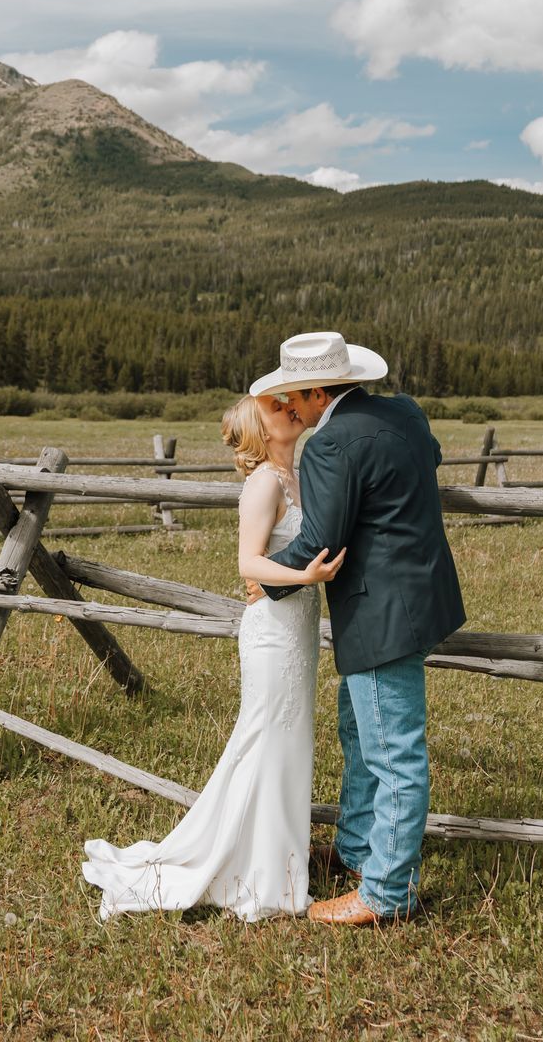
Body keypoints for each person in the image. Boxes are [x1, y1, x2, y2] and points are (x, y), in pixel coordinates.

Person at [80, 391, 345, 921]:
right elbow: (249, 563)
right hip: (272, 631)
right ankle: (256, 871)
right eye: (278, 408)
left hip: (297, 631)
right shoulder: (265, 482)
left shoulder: (297, 476)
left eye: (291, 403)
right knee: (265, 739)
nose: (292, 408)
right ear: (261, 431)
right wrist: (303, 576)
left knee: (288, 745)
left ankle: (277, 862)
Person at [252, 330, 466, 926]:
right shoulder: (405, 413)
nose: (292, 405)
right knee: (358, 728)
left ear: (321, 392)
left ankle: (386, 893)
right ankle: (355, 849)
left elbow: (322, 540)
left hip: (380, 613)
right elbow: (431, 457)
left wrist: (267, 578)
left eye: (297, 393)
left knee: (393, 753)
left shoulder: (330, 447)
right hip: (422, 598)